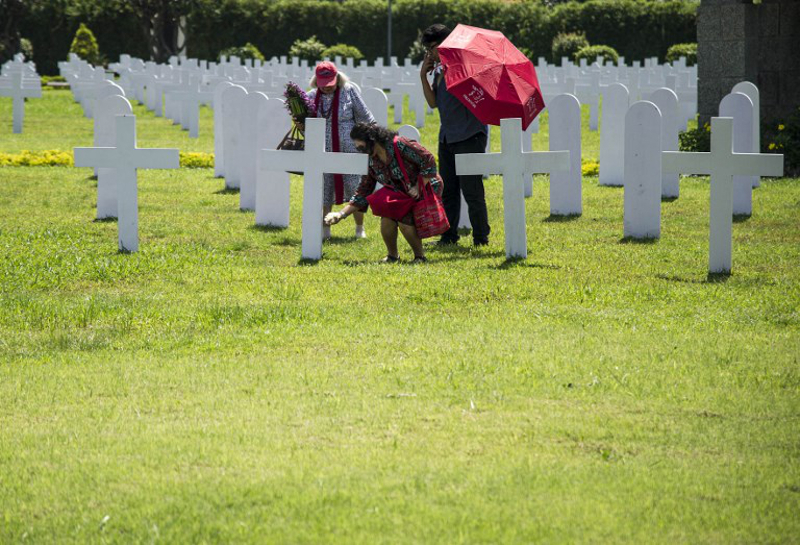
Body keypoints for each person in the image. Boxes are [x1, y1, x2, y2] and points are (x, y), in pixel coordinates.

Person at [324, 123, 443, 263]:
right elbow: (364, 190)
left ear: (372, 140)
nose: (361, 152)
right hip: (400, 193)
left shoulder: (400, 145)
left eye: (362, 147)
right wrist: (340, 214)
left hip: (425, 185)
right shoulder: (371, 160)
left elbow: (428, 159)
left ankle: (420, 257)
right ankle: (392, 256)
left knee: (404, 220)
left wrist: (418, 186)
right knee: (387, 219)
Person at [419, 23, 491, 247]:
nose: (430, 54)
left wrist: (453, 67)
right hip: (448, 137)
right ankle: (449, 236)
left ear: (446, 44)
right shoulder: (439, 72)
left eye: (433, 48)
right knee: (448, 190)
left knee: (472, 190)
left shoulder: (466, 67)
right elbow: (433, 103)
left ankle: (481, 238)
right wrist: (423, 76)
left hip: (470, 135)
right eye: (427, 50)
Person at [306, 61, 375, 240]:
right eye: (324, 86)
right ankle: (325, 229)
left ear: (337, 78)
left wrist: (372, 140)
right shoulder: (311, 96)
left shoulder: (349, 91)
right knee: (325, 188)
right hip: (323, 149)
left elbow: (365, 116)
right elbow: (305, 123)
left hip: (350, 149)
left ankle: (359, 227)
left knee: (355, 187)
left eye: (330, 85)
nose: (327, 89)